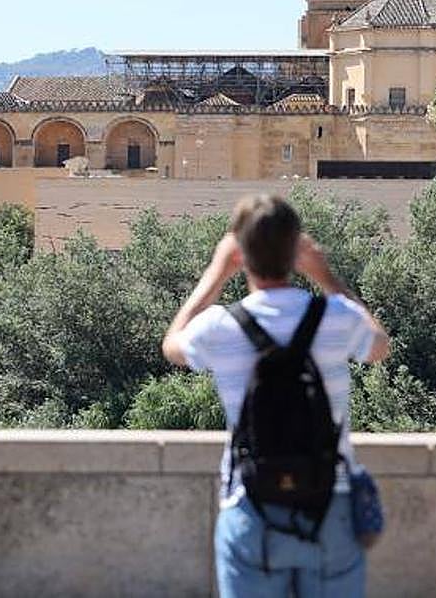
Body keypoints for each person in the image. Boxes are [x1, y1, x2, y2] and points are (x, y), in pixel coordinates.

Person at [162, 194, 390, 598]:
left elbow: (172, 346)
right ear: (296, 249)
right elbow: (379, 345)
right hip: (330, 501)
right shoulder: (335, 317)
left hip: (250, 504)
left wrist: (216, 273)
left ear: (241, 254)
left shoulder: (220, 327)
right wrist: (327, 277)